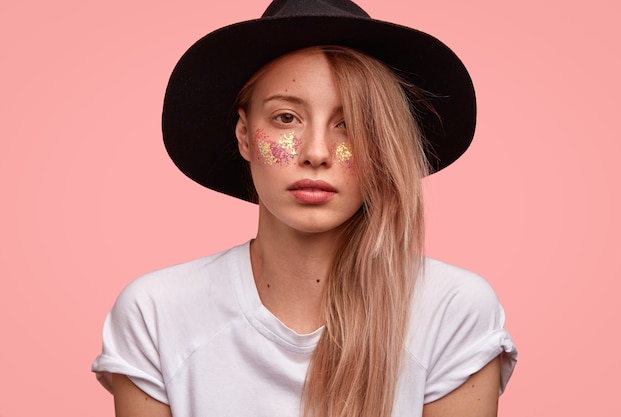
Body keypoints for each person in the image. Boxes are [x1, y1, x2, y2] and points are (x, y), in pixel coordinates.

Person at [92, 1, 517, 416]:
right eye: (286, 118)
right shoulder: (155, 313)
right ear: (244, 134)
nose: (316, 153)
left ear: (384, 144)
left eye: (349, 122)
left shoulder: (452, 310)